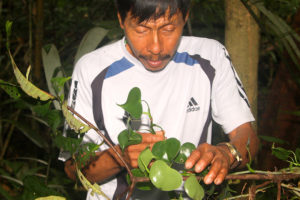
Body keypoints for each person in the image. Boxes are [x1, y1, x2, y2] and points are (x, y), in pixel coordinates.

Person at [60, 0, 259, 199]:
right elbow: (72, 170)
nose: (155, 47)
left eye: (168, 29)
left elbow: (246, 135)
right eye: (141, 29)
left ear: (186, 16)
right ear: (121, 20)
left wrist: (227, 152)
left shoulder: (210, 57)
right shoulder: (92, 70)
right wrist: (119, 158)